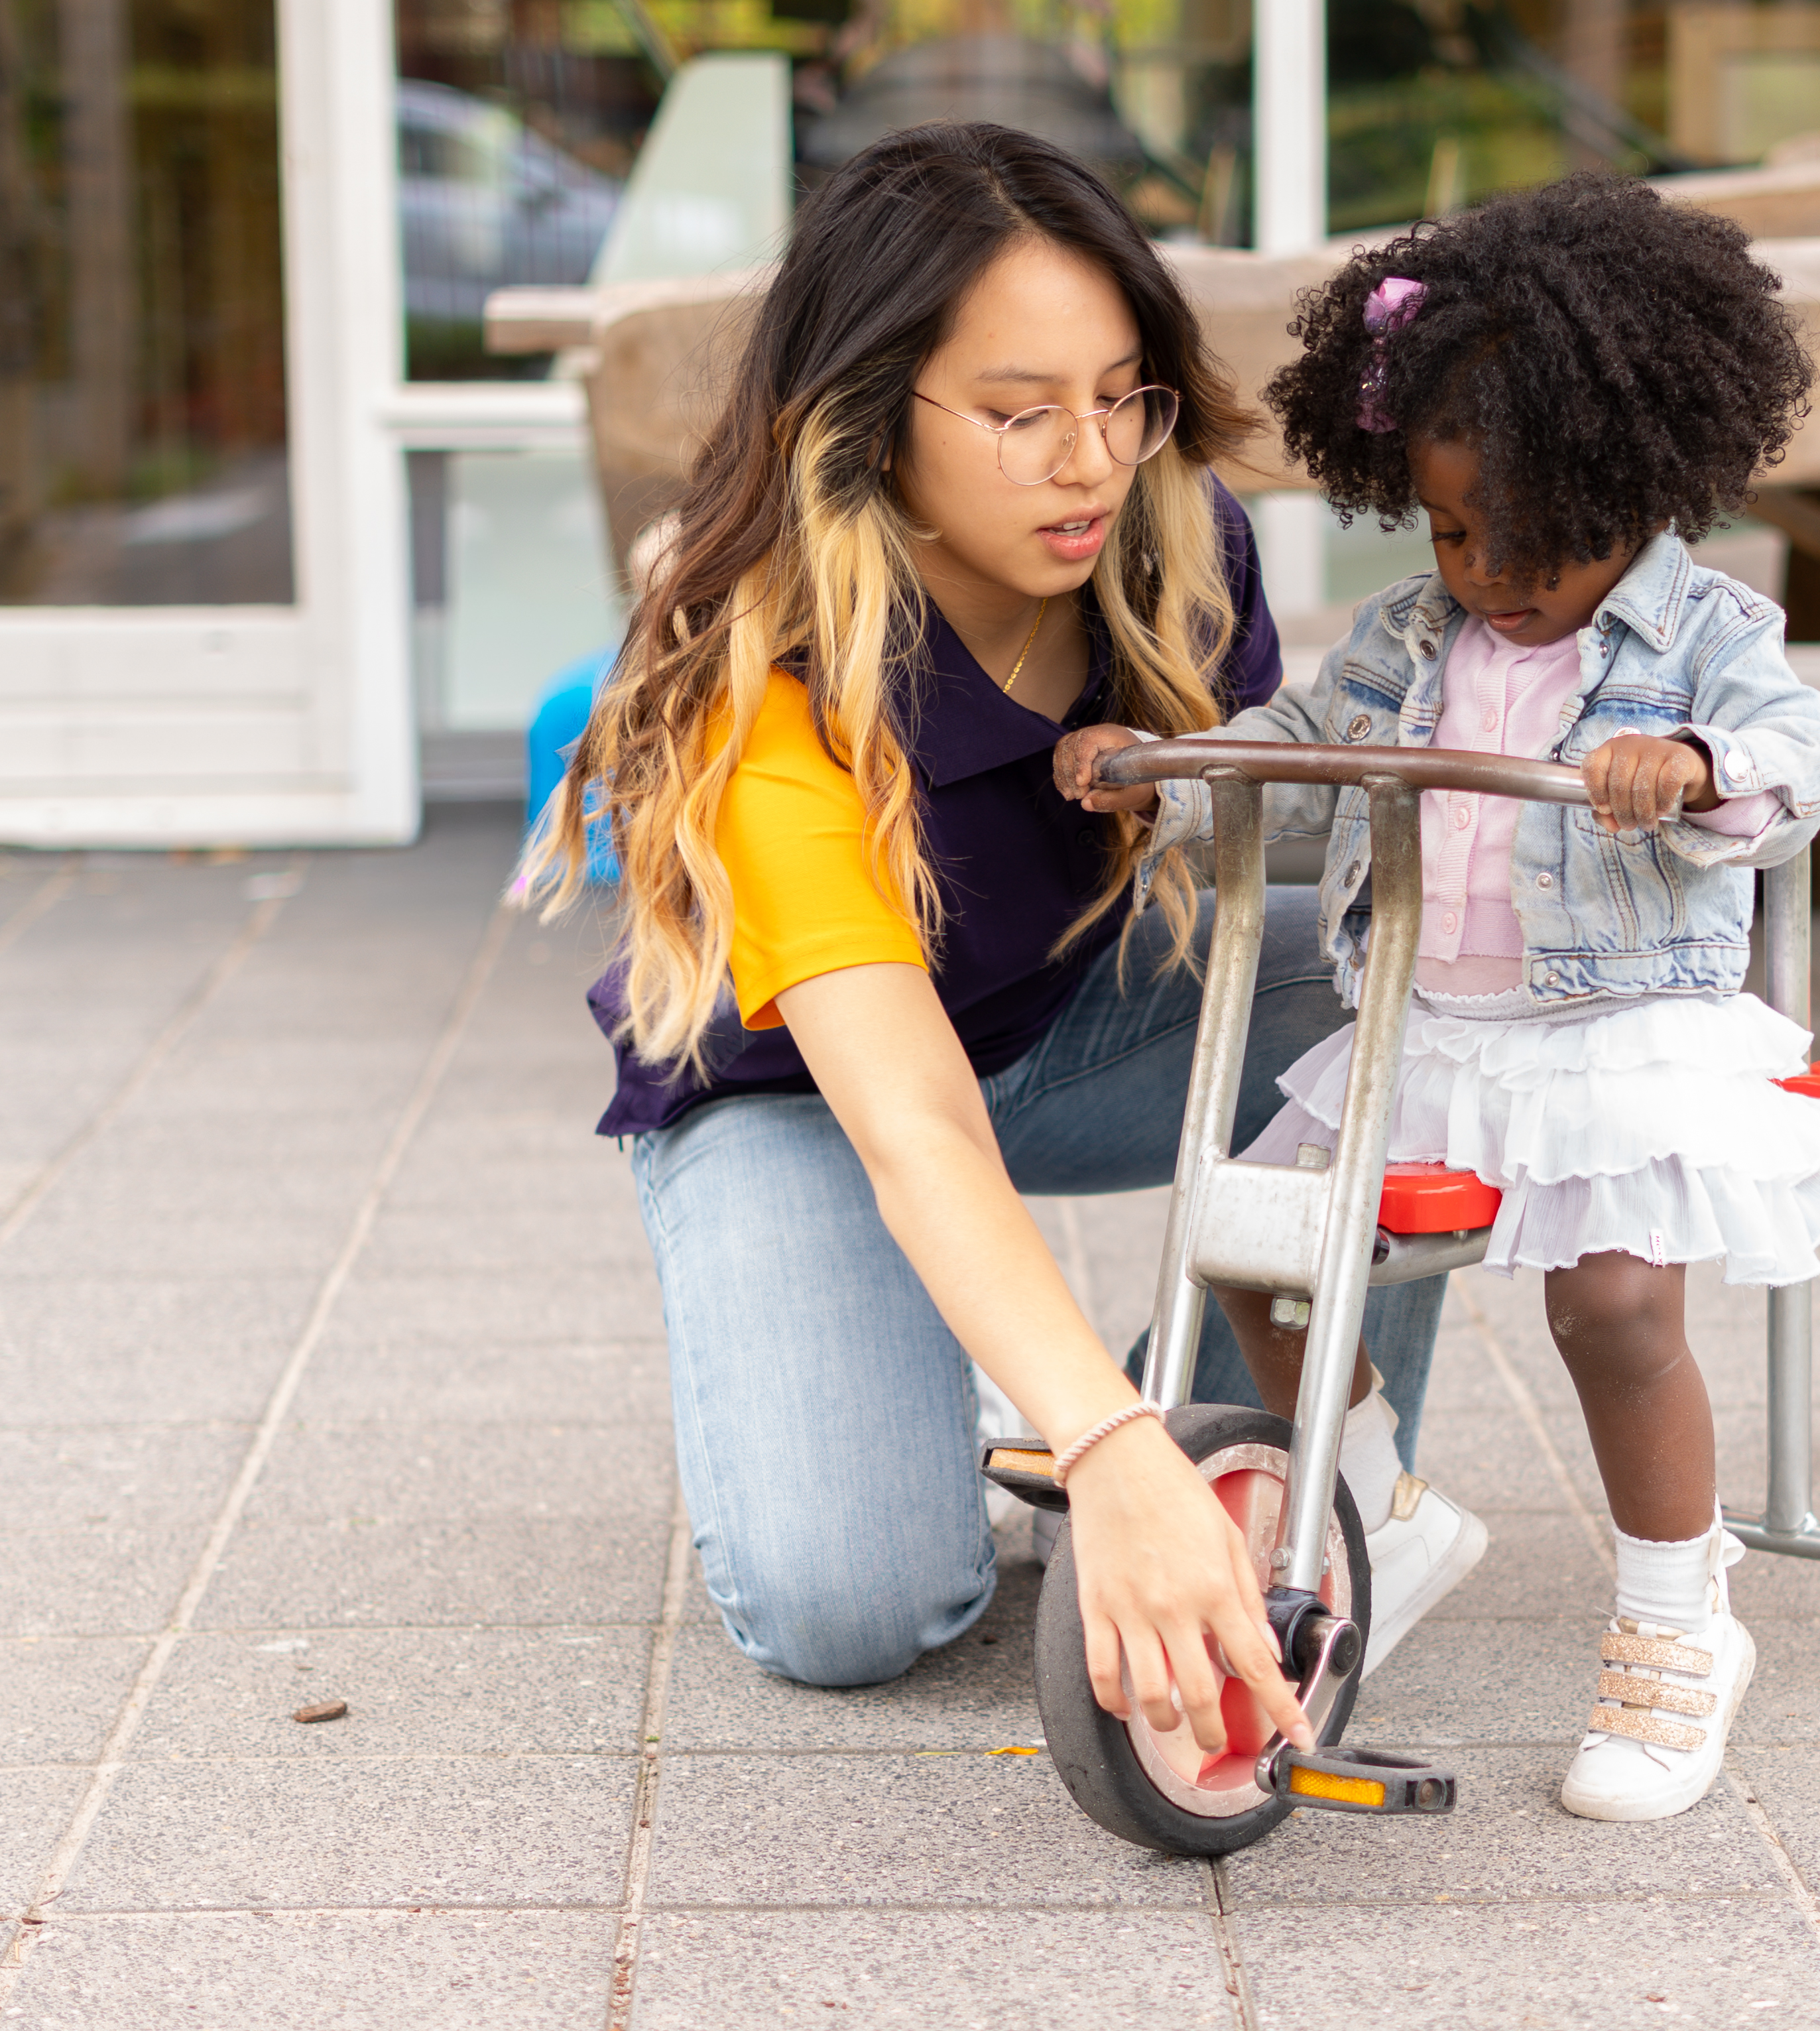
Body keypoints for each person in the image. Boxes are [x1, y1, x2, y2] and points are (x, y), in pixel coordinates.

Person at [522, 123, 1485, 1764]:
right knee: (855, 1612)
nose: (1091, 458)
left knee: (1412, 974)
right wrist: (1105, 1447)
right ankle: (1052, 1418)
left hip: (1067, 1019)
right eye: (1019, 410)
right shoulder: (764, 666)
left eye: (1123, 394)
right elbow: (908, 1119)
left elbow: (1278, 851)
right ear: (864, 414)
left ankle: (1260, 1442)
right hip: (803, 1098)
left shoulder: (1181, 545)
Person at [1056, 175, 1820, 1821]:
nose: (1489, 569)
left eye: (1531, 536)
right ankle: (1381, 1509)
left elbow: (1798, 754)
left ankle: (1676, 1619)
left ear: (1630, 487)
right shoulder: (1409, 638)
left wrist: (1692, 763)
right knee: (1266, 1257)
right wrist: (1164, 772)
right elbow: (1292, 748)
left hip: (1614, 1035)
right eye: (1449, 527)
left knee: (1616, 1311)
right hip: (1431, 1032)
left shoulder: (1702, 629)